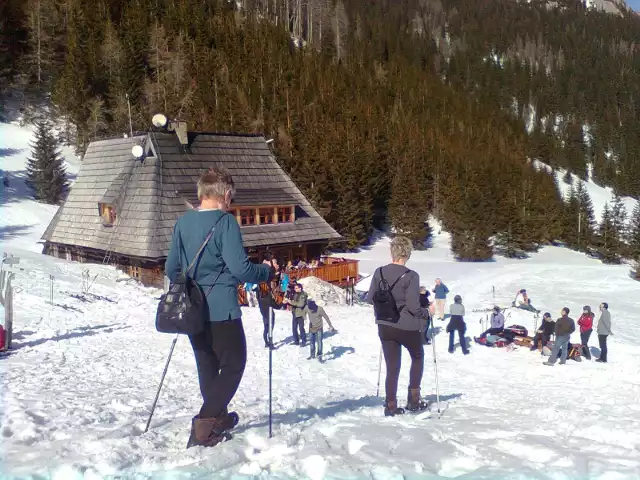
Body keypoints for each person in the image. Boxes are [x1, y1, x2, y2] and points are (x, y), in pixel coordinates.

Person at [165, 167, 276, 449]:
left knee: (208, 365)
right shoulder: (225, 223)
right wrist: (266, 271)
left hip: (192, 309)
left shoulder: (182, 223)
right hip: (222, 309)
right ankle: (204, 424)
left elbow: (171, 268)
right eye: (232, 198)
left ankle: (218, 418)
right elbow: (241, 270)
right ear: (225, 195)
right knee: (233, 364)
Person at [366, 236, 429, 416]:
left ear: (392, 252)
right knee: (417, 356)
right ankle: (414, 400)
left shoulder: (379, 272)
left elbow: (370, 298)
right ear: (407, 254)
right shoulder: (411, 275)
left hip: (385, 325)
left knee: (392, 366)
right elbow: (413, 306)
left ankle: (391, 405)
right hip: (407, 326)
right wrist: (426, 312)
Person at [258, 280, 277, 349]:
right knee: (270, 330)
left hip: (264, 314)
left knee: (266, 329)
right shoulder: (268, 296)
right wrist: (282, 303)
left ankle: (266, 343)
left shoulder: (259, 296)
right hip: (270, 314)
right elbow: (275, 305)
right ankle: (270, 344)